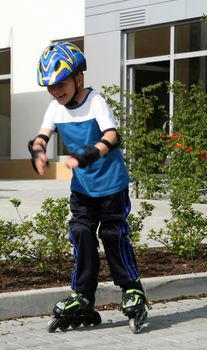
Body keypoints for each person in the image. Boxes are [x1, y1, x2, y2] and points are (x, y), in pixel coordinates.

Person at [28, 41, 149, 332]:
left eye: (61, 83)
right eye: (51, 87)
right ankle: (82, 295)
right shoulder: (54, 109)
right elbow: (42, 135)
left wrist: (88, 154)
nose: (56, 91)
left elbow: (112, 136)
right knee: (80, 233)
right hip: (82, 189)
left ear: (78, 78)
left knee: (112, 234)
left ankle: (132, 289)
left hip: (111, 186)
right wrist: (38, 152)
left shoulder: (95, 101)